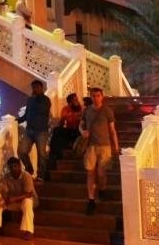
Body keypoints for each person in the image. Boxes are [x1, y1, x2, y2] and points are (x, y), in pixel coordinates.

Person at [81, 87, 119, 215]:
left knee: (101, 173)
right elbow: (81, 124)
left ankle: (102, 189)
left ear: (102, 97)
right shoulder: (87, 111)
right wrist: (82, 131)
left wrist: (116, 146)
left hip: (105, 146)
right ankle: (91, 200)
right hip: (91, 146)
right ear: (90, 97)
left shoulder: (107, 111)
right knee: (90, 173)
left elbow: (112, 130)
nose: (96, 98)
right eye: (93, 96)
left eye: (98, 95)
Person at [0, 157, 37, 239]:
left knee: (27, 202)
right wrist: (5, 198)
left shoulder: (26, 176)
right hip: (14, 202)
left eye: (15, 166)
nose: (13, 169)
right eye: (11, 167)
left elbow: (28, 194)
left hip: (29, 200)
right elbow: (4, 191)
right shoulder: (6, 177)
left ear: (20, 166)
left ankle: (28, 231)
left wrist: (12, 199)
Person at [17, 80, 53, 180]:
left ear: (41, 88)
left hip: (41, 131)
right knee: (22, 151)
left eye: (36, 87)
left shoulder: (46, 100)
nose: (34, 89)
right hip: (29, 130)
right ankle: (29, 170)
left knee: (41, 154)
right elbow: (26, 115)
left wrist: (37, 98)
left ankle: (41, 175)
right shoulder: (30, 100)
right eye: (33, 87)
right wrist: (17, 120)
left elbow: (43, 111)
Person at [48, 92, 84, 173]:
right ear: (70, 103)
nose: (77, 101)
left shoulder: (82, 108)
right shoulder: (65, 109)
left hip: (80, 130)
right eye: (75, 100)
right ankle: (54, 154)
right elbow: (61, 123)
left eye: (77, 99)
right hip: (70, 130)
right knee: (57, 130)